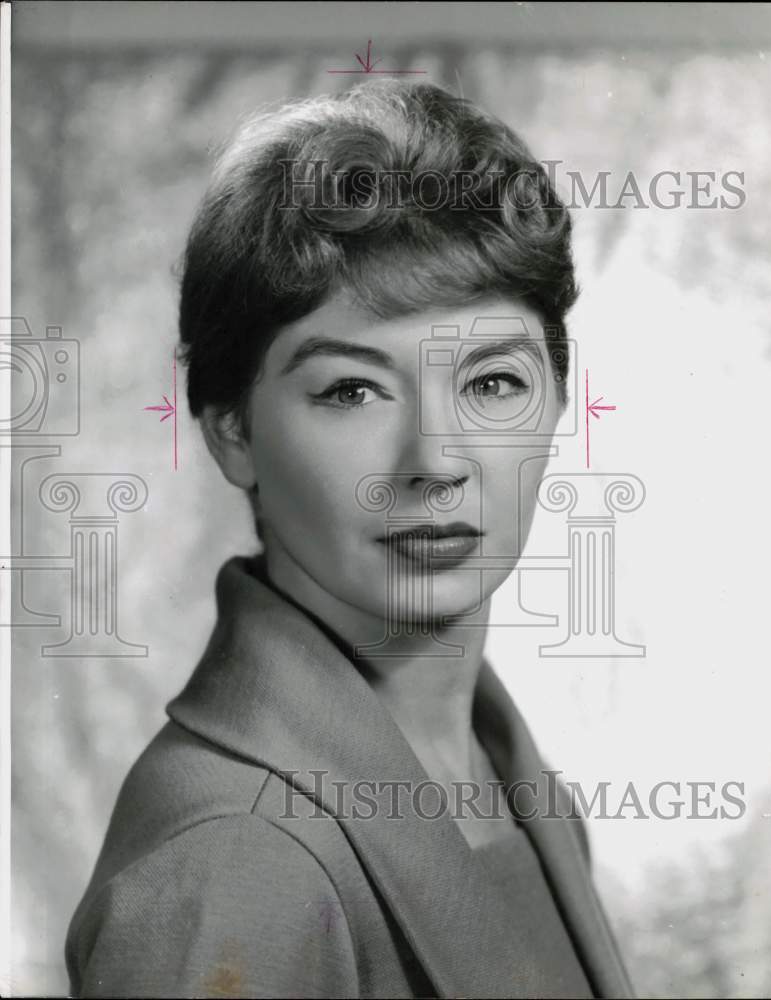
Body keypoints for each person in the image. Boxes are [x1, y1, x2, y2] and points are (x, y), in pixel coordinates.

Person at [65, 79, 633, 999]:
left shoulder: (515, 782)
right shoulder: (231, 861)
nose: (435, 461)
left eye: (490, 382)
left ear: (557, 402)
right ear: (231, 433)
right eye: (350, 391)